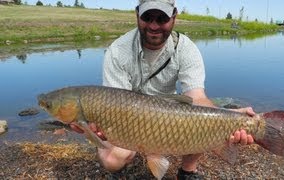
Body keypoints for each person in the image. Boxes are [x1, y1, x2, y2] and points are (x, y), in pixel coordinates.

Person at [72, 0, 255, 179]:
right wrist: (91, 125)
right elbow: (113, 104)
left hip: (170, 113)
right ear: (137, 14)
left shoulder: (187, 49)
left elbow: (197, 98)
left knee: (198, 123)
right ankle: (134, 160)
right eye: (147, 17)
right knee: (112, 161)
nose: (153, 26)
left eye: (162, 18)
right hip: (131, 117)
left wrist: (231, 117)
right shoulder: (118, 51)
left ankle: (187, 170)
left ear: (174, 17)